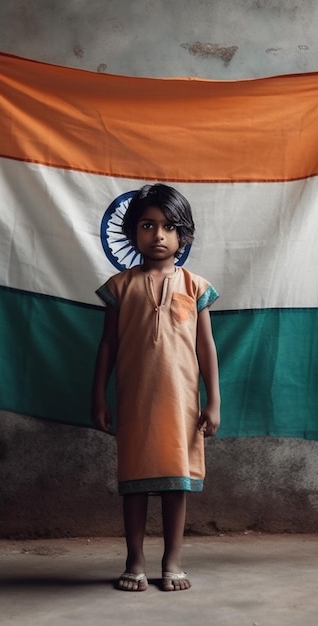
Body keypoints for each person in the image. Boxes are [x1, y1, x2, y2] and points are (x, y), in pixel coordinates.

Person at [91, 183, 220, 592]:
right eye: (148, 225)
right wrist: (98, 395)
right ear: (133, 233)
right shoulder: (120, 286)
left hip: (182, 403)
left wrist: (213, 400)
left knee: (175, 481)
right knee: (135, 480)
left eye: (168, 227)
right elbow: (108, 344)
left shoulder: (195, 287)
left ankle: (173, 561)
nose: (158, 236)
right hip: (134, 402)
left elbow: (206, 346)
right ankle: (134, 560)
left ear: (184, 235)